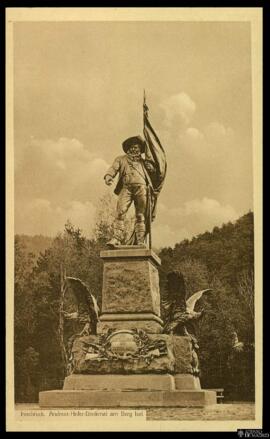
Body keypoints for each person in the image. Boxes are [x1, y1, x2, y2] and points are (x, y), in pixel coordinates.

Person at [104, 135, 156, 247]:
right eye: (131, 147)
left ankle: (140, 241)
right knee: (120, 213)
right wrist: (108, 176)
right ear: (128, 148)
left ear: (140, 149)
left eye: (136, 147)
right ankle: (116, 238)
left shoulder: (144, 162)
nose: (134, 149)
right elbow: (113, 168)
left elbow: (155, 175)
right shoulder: (121, 159)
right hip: (126, 188)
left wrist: (151, 168)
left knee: (140, 215)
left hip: (141, 189)